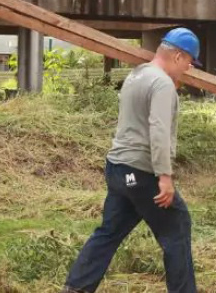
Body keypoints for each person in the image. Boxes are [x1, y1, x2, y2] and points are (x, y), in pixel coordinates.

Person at [62, 28, 201, 293]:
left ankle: (76, 287)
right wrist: (164, 176)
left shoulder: (137, 74)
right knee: (177, 228)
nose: (189, 68)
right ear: (178, 56)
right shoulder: (161, 83)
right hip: (141, 171)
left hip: (118, 169)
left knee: (109, 232)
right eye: (188, 62)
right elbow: (158, 130)